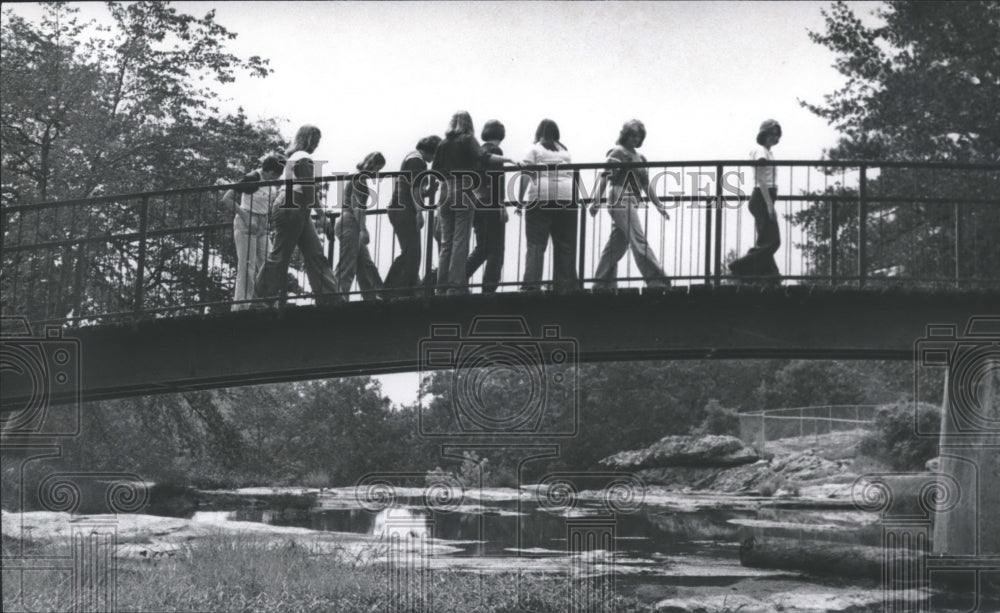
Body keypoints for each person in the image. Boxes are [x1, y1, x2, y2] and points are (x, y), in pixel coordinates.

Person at [253, 124, 342, 306]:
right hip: (293, 206)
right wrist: (323, 217)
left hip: (296, 207)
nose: (316, 145)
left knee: (315, 252)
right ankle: (260, 299)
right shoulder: (303, 158)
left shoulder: (295, 157)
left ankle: (330, 297)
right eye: (315, 141)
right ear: (307, 139)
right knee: (280, 255)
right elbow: (309, 190)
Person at [431, 111, 516, 295]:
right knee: (460, 240)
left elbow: (435, 169)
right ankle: (455, 287)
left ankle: (441, 286)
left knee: (447, 241)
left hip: (445, 190)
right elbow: (484, 157)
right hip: (463, 189)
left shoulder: (443, 144)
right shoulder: (468, 139)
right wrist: (507, 160)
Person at [590, 119, 672, 289]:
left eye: (638, 136)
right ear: (625, 135)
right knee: (638, 239)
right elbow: (606, 176)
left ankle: (601, 283)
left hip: (632, 200)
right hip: (620, 196)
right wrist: (596, 202)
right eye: (632, 135)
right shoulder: (618, 152)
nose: (635, 139)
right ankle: (657, 279)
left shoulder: (640, 158)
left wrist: (659, 206)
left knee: (617, 245)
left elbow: (645, 185)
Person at [518, 119, 579, 292]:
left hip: (540, 198)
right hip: (567, 198)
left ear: (539, 133)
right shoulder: (565, 152)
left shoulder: (534, 149)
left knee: (536, 243)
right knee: (565, 244)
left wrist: (519, 200)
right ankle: (564, 285)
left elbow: (526, 174)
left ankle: (531, 284)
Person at [223, 153, 285, 310]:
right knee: (247, 266)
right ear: (270, 171)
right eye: (274, 175)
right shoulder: (253, 178)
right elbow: (227, 198)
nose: (275, 178)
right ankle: (242, 306)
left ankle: (266, 302)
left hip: (262, 225)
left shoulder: (270, 183)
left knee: (269, 263)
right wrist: (246, 217)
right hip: (246, 222)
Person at [384, 136, 440, 297]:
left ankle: (394, 289)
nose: (434, 159)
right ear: (431, 150)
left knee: (409, 252)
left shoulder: (411, 157)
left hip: (398, 209)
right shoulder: (418, 161)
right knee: (413, 253)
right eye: (435, 154)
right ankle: (399, 291)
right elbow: (415, 190)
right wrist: (420, 213)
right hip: (404, 210)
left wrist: (428, 192)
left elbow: (413, 187)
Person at [728, 119, 782, 283]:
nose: (777, 137)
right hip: (762, 196)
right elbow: (760, 179)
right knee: (773, 242)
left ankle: (773, 278)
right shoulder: (761, 152)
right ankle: (738, 267)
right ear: (764, 134)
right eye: (773, 133)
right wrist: (769, 204)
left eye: (778, 134)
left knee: (766, 240)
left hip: (764, 197)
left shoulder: (767, 152)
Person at [334, 152, 387, 300]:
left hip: (348, 223)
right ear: (373, 165)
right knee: (347, 265)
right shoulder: (361, 178)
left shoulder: (356, 176)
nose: (377, 173)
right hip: (350, 223)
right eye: (378, 169)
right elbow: (357, 205)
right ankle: (337, 298)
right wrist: (364, 229)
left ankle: (373, 296)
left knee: (365, 264)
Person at [465, 120, 508, 293]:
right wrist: (501, 205)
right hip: (491, 202)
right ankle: (489, 287)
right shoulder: (495, 151)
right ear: (501, 134)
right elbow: (496, 178)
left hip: (476, 202)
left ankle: (457, 278)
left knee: (482, 247)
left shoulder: (478, 151)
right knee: (497, 248)